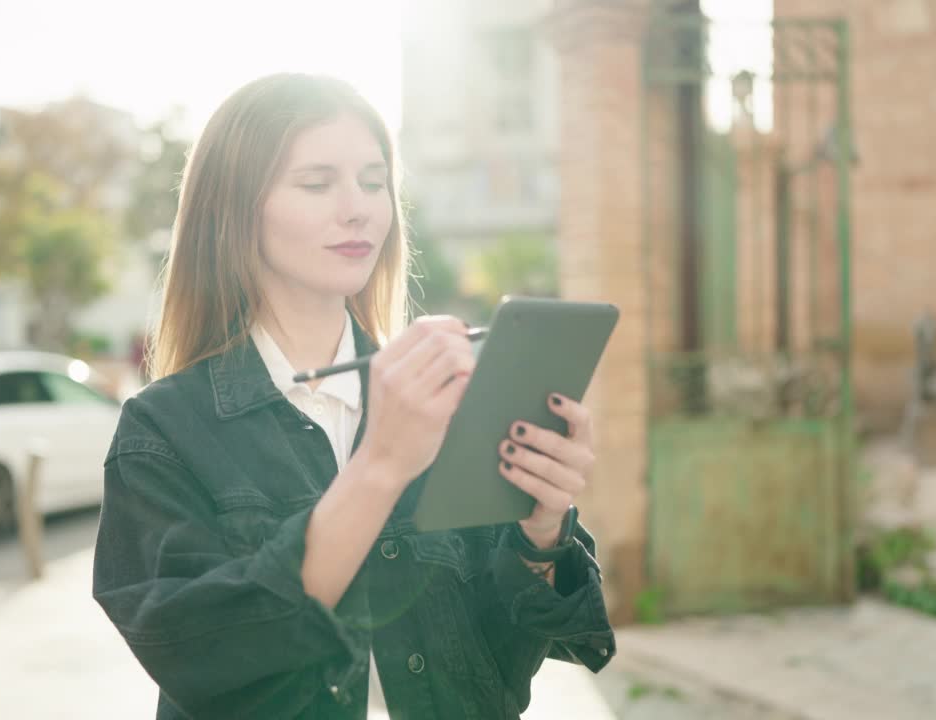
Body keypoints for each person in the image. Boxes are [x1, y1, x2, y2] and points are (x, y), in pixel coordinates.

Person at [92, 73, 615, 720]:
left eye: (373, 182)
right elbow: (202, 658)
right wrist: (380, 466)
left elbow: (504, 671)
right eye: (317, 183)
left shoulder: (451, 394)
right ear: (233, 206)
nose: (358, 207)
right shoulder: (164, 430)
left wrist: (541, 536)